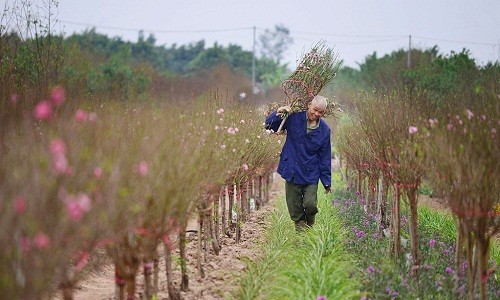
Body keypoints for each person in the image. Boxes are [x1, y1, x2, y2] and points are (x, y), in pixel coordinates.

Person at [265, 95, 332, 231]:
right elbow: (269, 125)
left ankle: (310, 223)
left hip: (311, 172)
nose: (316, 114)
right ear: (309, 105)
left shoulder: (325, 130)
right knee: (294, 206)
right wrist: (279, 112)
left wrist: (326, 182)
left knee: (310, 204)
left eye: (320, 112)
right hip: (292, 169)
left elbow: (325, 157)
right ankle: (301, 231)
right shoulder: (293, 118)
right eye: (315, 110)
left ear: (324, 113)